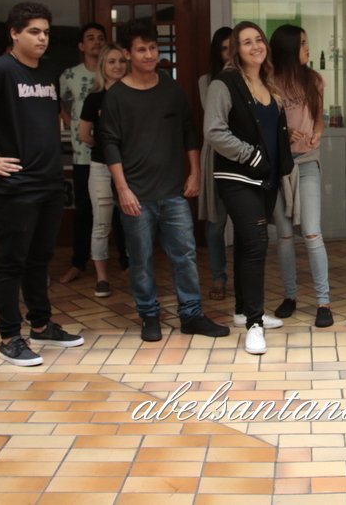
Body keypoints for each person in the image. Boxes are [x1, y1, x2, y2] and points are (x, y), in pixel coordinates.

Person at [0, 1, 85, 367]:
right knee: (12, 261)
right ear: (14, 33)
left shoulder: (48, 72)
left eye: (46, 32)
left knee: (40, 258)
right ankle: (10, 337)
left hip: (50, 181)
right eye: (34, 32)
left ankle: (41, 325)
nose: (42, 38)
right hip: (15, 184)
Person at [100, 21, 229, 343]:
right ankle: (149, 315)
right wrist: (123, 189)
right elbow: (109, 145)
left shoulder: (171, 90)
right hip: (136, 195)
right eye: (141, 49)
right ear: (127, 54)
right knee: (141, 260)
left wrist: (195, 172)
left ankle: (191, 315)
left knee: (185, 254)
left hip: (173, 192)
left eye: (153, 48)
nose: (149, 55)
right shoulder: (116, 96)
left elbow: (189, 132)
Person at [204, 21, 293, 355]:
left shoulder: (268, 83)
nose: (255, 46)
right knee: (257, 243)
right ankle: (255, 325)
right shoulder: (224, 83)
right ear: (236, 50)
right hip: (238, 177)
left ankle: (243, 311)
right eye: (246, 42)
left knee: (246, 244)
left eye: (258, 40)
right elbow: (214, 131)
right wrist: (251, 155)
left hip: (266, 178)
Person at [269, 24, 333, 328]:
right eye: (303, 43)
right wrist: (284, 132)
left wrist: (317, 134)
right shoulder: (269, 82)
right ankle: (290, 296)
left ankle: (323, 302)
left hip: (307, 163)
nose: (308, 48)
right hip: (279, 166)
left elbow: (319, 119)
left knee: (311, 232)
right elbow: (263, 126)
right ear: (288, 48)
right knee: (284, 236)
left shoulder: (314, 80)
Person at [77, 44, 127, 298]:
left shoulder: (133, 93)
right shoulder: (95, 98)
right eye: (111, 62)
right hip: (100, 167)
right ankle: (102, 278)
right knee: (101, 224)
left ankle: (135, 270)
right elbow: (83, 134)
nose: (117, 66)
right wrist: (106, 146)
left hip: (131, 168)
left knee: (134, 223)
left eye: (121, 61)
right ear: (103, 66)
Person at [59, 22, 107, 284]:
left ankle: (125, 262)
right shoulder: (69, 75)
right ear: (81, 45)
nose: (96, 42)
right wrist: (69, 120)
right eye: (90, 38)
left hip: (112, 154)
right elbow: (58, 101)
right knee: (84, 209)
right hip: (82, 153)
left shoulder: (115, 71)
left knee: (118, 210)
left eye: (100, 37)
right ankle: (79, 262)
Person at [198, 27, 233, 300]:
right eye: (224, 49)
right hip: (216, 156)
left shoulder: (253, 79)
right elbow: (218, 121)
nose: (230, 53)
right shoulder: (208, 81)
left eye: (233, 47)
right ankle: (218, 277)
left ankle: (245, 277)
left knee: (247, 224)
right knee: (215, 223)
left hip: (245, 159)